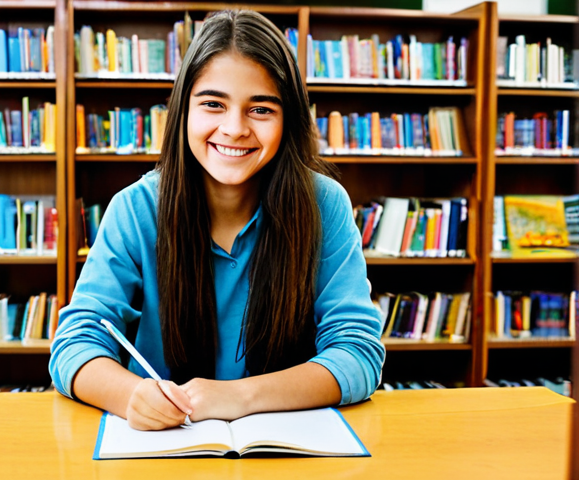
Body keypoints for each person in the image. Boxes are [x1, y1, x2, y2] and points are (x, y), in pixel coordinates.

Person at [50, 9, 385, 431]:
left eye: (260, 110)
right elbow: (75, 344)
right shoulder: (135, 210)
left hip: (286, 451)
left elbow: (357, 353)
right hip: (169, 448)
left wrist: (239, 397)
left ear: (289, 120)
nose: (233, 128)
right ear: (182, 110)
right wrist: (131, 396)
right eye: (213, 104)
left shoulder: (324, 205)